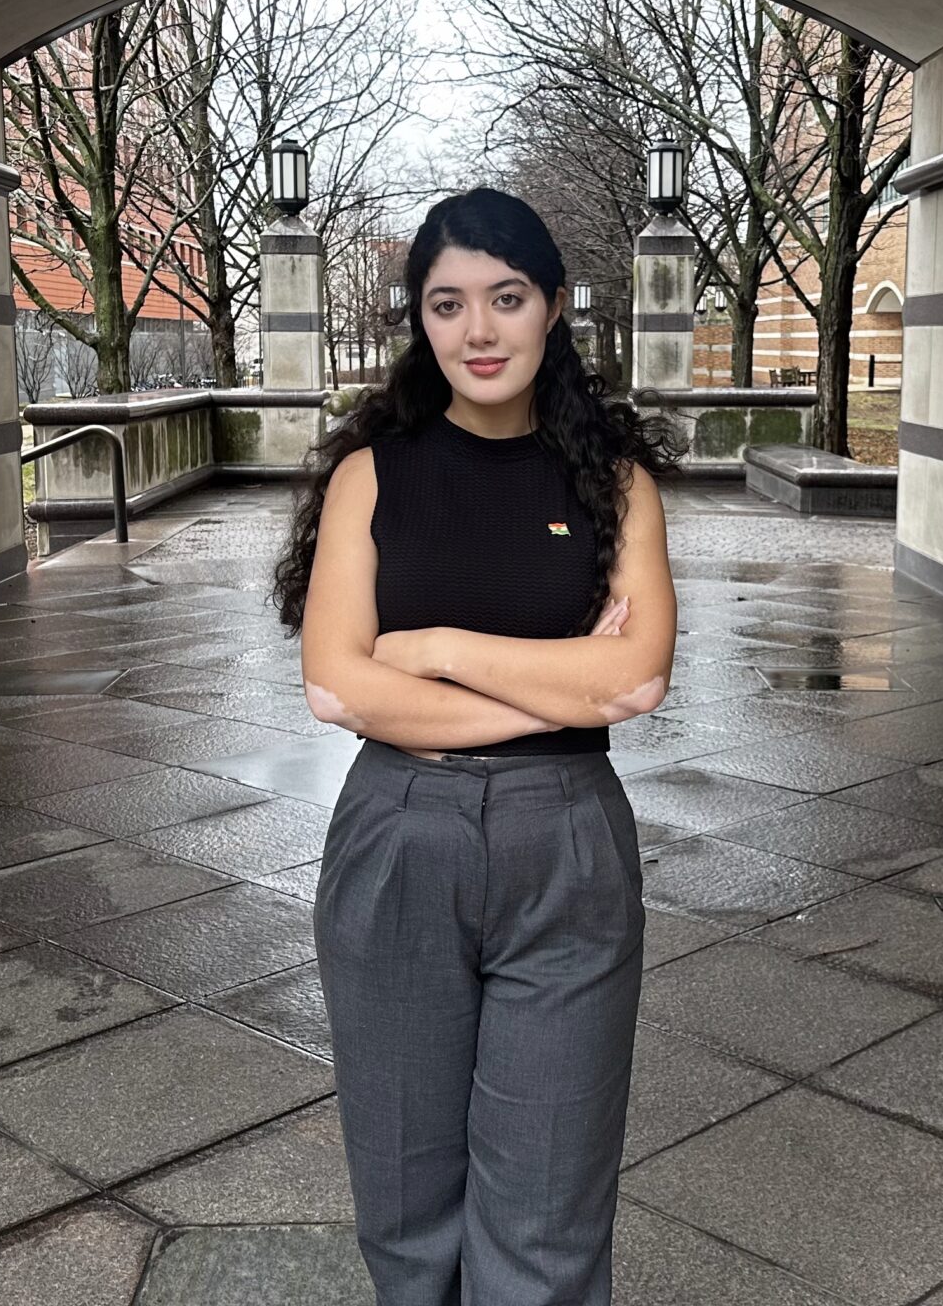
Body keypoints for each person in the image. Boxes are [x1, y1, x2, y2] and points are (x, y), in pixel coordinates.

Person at [270, 187, 683, 1304]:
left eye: (505, 298)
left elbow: (639, 673)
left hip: (568, 853)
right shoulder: (372, 474)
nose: (478, 331)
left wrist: (439, 647)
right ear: (421, 320)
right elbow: (333, 684)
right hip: (400, 836)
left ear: (553, 306)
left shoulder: (612, 482)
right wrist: (563, 687)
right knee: (406, 1207)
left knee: (548, 1210)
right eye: (446, 304)